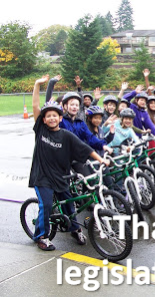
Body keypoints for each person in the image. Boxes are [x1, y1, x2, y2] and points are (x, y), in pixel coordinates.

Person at [29, 75, 108, 251]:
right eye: (48, 116)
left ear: (59, 118)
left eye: (54, 116)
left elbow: (85, 148)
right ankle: (41, 236)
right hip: (42, 177)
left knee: (69, 202)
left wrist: (101, 159)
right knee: (47, 205)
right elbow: (35, 106)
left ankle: (74, 229)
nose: (51, 118)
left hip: (61, 175)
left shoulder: (66, 134)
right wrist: (37, 85)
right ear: (43, 119)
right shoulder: (41, 131)